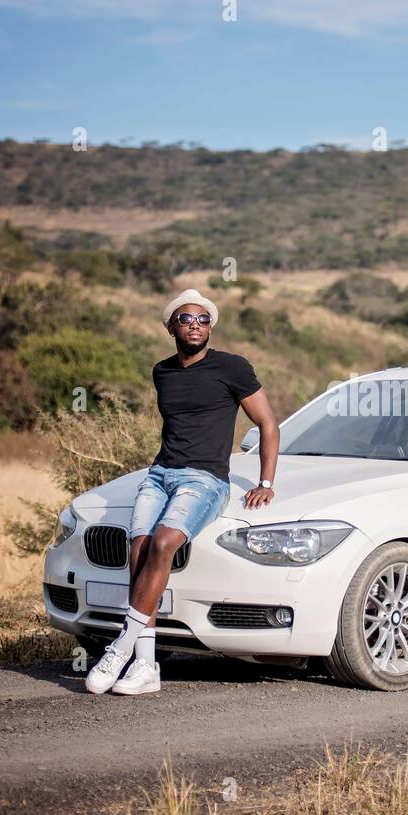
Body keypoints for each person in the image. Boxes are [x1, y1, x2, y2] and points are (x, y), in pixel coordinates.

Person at [86, 287, 280, 694]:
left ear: (211, 327)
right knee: (137, 551)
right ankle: (147, 669)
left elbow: (267, 424)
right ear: (172, 326)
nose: (196, 325)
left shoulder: (233, 368)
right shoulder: (164, 372)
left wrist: (265, 482)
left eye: (204, 319)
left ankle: (120, 648)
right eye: (187, 319)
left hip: (204, 478)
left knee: (163, 543)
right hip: (160, 475)